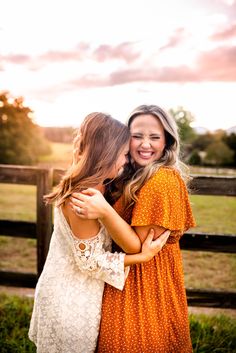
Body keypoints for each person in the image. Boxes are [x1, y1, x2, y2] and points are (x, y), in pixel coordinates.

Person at [28, 112, 170, 353]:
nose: (126, 160)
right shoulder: (85, 198)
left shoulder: (98, 184)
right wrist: (143, 257)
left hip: (79, 291)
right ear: (107, 152)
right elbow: (89, 262)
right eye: (124, 154)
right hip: (69, 299)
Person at [70, 105, 196, 353]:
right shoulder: (129, 174)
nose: (144, 144)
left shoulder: (162, 180)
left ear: (167, 142)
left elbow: (138, 245)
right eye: (137, 135)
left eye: (154, 137)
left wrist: (105, 212)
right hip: (124, 272)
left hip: (145, 281)